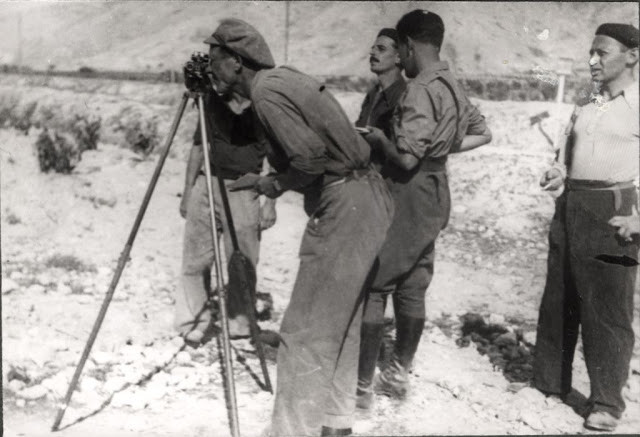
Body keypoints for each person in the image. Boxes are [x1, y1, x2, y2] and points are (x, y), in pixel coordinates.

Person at [205, 18, 394, 437]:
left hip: (346, 205)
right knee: (338, 327)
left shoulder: (267, 93)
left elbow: (307, 160)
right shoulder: (279, 82)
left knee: (304, 332)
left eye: (215, 61)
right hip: (365, 200)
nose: (211, 69)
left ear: (236, 62)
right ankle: (334, 425)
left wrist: (272, 184)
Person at [356, 9, 492, 409]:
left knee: (377, 282)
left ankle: (361, 390)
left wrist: (381, 141)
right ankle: (397, 377)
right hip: (436, 190)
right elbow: (483, 133)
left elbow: (406, 160)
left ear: (410, 47)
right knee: (414, 284)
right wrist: (441, 150)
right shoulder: (452, 84)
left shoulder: (418, 89)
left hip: (408, 192)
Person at [534, 23, 639, 432]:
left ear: (631, 55)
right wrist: (556, 172)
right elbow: (566, 148)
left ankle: (607, 403)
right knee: (558, 296)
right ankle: (548, 384)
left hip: (614, 209)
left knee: (608, 308)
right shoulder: (586, 99)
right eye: (590, 52)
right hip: (571, 203)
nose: (592, 61)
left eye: (603, 53)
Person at [174, 86, 277, 345]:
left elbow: (277, 157)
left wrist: (270, 203)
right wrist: (188, 192)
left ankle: (240, 324)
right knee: (195, 258)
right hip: (206, 183)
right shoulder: (213, 103)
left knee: (243, 260)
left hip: (244, 189)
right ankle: (194, 322)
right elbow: (199, 147)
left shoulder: (264, 106)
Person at [356, 28, 406, 171]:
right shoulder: (373, 93)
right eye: (373, 48)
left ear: (398, 58)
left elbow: (406, 154)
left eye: (381, 49)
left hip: (390, 181)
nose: (372, 53)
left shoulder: (405, 96)